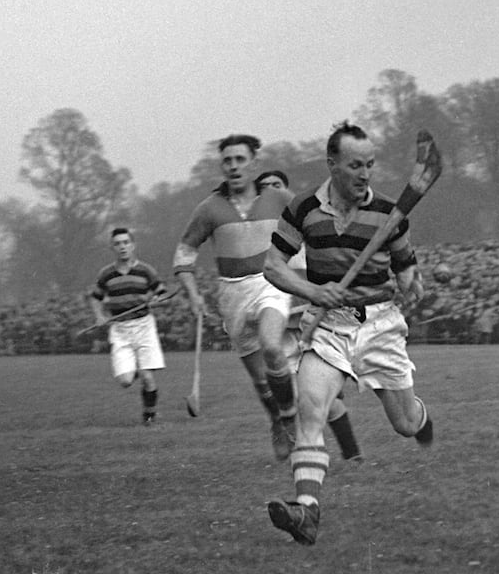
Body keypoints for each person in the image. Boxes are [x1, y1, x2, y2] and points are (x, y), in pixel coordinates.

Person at [263, 122, 434, 545]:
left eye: (370, 165)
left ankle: (421, 417)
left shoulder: (391, 213)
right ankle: (307, 513)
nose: (365, 174)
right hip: (328, 327)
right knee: (310, 413)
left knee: (405, 424)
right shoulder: (303, 209)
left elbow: (406, 268)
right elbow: (273, 266)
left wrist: (413, 282)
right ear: (332, 164)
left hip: (379, 325)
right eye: (355, 165)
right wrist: (313, 291)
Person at [172, 136, 299, 461]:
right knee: (259, 378)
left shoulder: (279, 197)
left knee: (273, 347)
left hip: (270, 282)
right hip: (232, 293)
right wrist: (192, 293)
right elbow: (184, 253)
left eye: (240, 159)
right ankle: (275, 420)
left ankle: (289, 415)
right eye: (228, 161)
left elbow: (312, 223)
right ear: (222, 166)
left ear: (253, 163)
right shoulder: (209, 208)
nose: (234, 166)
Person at [256, 170, 362, 463]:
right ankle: (341, 451)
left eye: (277, 187)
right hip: (281, 328)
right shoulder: (261, 238)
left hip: (313, 320)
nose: (271, 194)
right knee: (307, 397)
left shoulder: (308, 226)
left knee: (317, 395)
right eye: (264, 189)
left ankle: (351, 454)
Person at [88, 227, 170, 425]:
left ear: (133, 245)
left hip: (144, 326)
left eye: (126, 242)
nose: (122, 247)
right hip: (120, 328)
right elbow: (95, 297)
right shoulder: (106, 274)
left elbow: (162, 293)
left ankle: (149, 416)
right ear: (112, 248)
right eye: (117, 244)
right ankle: (134, 371)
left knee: (147, 376)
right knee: (125, 381)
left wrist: (158, 299)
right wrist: (99, 316)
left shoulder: (145, 270)